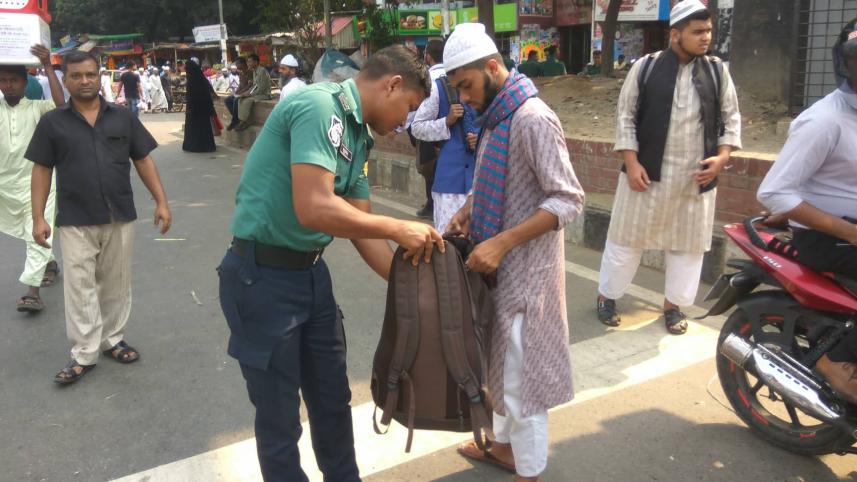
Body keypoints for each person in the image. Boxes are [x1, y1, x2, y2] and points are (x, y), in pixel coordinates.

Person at [218, 45, 439, 481]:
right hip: (262, 279)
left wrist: (417, 291)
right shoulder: (321, 106)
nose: (404, 123)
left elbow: (360, 226)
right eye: (409, 107)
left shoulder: (359, 134)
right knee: (280, 417)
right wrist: (398, 228)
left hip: (310, 277)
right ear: (392, 84)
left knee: (331, 402)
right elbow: (315, 207)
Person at [441, 23, 585, 482]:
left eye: (467, 84)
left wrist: (501, 242)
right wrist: (468, 209)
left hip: (526, 274)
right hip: (498, 271)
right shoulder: (496, 117)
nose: (465, 96)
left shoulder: (531, 118)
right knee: (501, 364)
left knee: (522, 377)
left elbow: (567, 199)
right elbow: (493, 179)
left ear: (492, 66)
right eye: (457, 87)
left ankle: (531, 469)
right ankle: (503, 448)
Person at [596, 0, 742, 334]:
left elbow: (731, 118)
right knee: (625, 239)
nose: (706, 38)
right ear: (675, 34)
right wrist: (631, 164)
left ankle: (674, 307)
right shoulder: (645, 67)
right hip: (645, 176)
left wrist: (721, 158)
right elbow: (625, 116)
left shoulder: (718, 70)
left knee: (687, 248)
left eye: (708, 31)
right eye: (697, 32)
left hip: (694, 180)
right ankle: (607, 297)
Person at [27, 50, 172, 384]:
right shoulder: (53, 122)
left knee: (116, 283)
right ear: (66, 79)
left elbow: (144, 160)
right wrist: (38, 218)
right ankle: (84, 353)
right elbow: (41, 169)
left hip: (119, 214)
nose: (84, 81)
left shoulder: (122, 118)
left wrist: (161, 201)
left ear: (100, 76)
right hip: (76, 217)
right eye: (76, 75)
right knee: (80, 287)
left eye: (90, 74)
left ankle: (112, 339)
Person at [756, 18, 857, 403]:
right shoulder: (824, 121)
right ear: (845, 63)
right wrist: (849, 232)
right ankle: (834, 358)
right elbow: (775, 191)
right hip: (830, 238)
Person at [0, 45, 65, 314]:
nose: (8, 85)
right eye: (2, 81)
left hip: (38, 184)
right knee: (29, 233)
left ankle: (32, 292)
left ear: (25, 83)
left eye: (13, 80)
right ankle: (49, 262)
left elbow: (61, 106)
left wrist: (47, 65)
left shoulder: (38, 108)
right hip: (5, 185)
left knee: (34, 232)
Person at [411, 38, 479, 232]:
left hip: (482, 180)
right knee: (448, 245)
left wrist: (482, 138)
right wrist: (446, 122)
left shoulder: (490, 89)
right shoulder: (438, 88)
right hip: (449, 182)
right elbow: (417, 127)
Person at [182, 58, 217, 153]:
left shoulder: (192, 79)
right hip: (203, 108)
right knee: (203, 127)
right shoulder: (200, 77)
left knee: (194, 127)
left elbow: (191, 94)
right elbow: (208, 88)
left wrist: (189, 107)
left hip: (194, 108)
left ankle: (194, 146)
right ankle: (205, 146)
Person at [234, 54, 272, 131]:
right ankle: (243, 121)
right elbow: (254, 86)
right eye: (248, 62)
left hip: (265, 94)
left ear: (255, 62)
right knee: (241, 99)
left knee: (247, 101)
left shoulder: (262, 71)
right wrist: (246, 93)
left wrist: (249, 94)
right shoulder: (255, 71)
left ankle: (243, 122)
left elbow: (261, 88)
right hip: (258, 93)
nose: (248, 64)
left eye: (250, 62)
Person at [225, 57, 251, 131]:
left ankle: (235, 121)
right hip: (242, 92)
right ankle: (237, 118)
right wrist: (236, 92)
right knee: (228, 100)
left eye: (237, 63)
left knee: (236, 100)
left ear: (242, 63)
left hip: (249, 92)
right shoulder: (240, 73)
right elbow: (241, 84)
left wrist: (240, 92)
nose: (236, 65)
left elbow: (249, 85)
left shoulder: (250, 72)